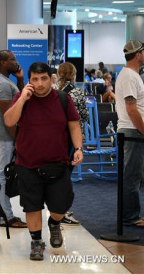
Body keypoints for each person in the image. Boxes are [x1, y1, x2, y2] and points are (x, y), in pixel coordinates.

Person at [4, 62, 83, 261]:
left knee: (60, 206)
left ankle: (55, 224)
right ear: (29, 80)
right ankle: (37, 241)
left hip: (58, 163)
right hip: (27, 164)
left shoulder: (63, 99)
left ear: (51, 78)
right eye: (35, 79)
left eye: (44, 79)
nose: (39, 84)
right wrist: (22, 99)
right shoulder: (23, 99)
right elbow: (9, 121)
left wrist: (79, 148)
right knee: (32, 206)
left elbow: (74, 126)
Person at [0, 50, 27, 229]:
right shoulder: (2, 84)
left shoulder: (6, 81)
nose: (16, 62)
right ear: (3, 62)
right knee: (3, 175)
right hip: (6, 136)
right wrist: (18, 140)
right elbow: (8, 117)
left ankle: (6, 213)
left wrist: (20, 80)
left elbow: (23, 100)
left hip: (9, 136)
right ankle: (6, 216)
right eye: (12, 59)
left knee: (7, 174)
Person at [115, 40, 144, 228]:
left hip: (134, 130)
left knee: (134, 175)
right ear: (138, 54)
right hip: (132, 130)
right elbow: (131, 108)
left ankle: (131, 214)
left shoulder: (132, 75)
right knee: (131, 176)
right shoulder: (129, 77)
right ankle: (130, 216)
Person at [57, 62, 89, 226]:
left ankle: (59, 210)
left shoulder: (54, 91)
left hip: (56, 138)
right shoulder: (76, 93)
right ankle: (61, 211)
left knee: (60, 173)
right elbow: (84, 115)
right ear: (73, 75)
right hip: (72, 139)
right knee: (66, 175)